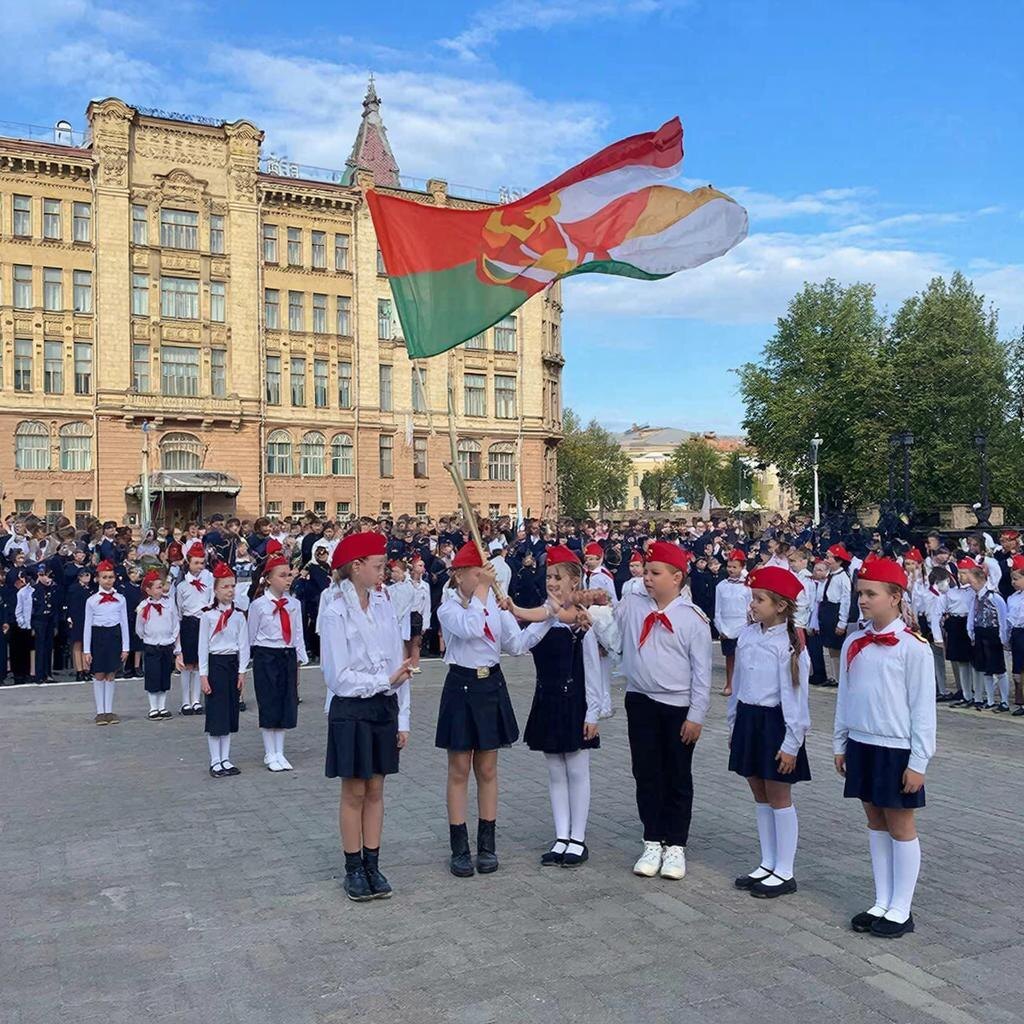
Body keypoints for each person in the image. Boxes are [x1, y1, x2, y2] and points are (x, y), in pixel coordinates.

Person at [591, 541, 712, 881]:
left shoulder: (692, 619)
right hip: (641, 700)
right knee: (646, 772)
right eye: (645, 571)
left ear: (677, 578)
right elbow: (615, 637)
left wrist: (696, 715)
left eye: (655, 573)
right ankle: (652, 839)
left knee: (676, 774)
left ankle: (676, 845)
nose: (647, 578)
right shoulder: (631, 605)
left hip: (677, 706)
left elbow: (702, 672)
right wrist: (597, 611)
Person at [436, 541, 556, 878]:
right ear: (459, 576)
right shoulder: (449, 607)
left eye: (483, 574)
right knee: (459, 768)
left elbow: (516, 645)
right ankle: (459, 847)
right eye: (477, 574)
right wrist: (485, 594)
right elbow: (471, 627)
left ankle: (487, 844)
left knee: (487, 769)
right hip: (460, 685)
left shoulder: (492, 604)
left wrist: (547, 616)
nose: (482, 579)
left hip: (491, 685)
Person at [833, 557, 935, 938]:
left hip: (896, 749)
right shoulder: (854, 643)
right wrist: (840, 742)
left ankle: (902, 908)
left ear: (895, 597)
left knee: (900, 824)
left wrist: (919, 760)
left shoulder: (913, 648)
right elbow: (846, 695)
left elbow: (923, 709)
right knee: (874, 821)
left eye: (871, 594)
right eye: (860, 593)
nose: (863, 600)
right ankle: (882, 900)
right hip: (862, 743)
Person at [320, 532, 413, 902]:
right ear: (355, 567)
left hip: (383, 705)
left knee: (376, 788)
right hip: (351, 708)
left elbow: (398, 662)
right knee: (354, 790)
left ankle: (373, 863)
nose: (382, 573)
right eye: (377, 566)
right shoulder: (334, 611)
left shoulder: (383, 605)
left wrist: (402, 717)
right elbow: (337, 676)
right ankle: (353, 867)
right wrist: (383, 680)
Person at [728, 566, 811, 899]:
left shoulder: (788, 645)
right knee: (758, 791)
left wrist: (792, 742)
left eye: (759, 599)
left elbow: (795, 698)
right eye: (753, 598)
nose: (753, 605)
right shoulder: (748, 635)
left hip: (776, 724)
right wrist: (734, 724)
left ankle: (785, 870)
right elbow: (738, 688)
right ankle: (768, 862)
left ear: (780, 606)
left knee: (779, 796)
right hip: (749, 719)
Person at [522, 545, 607, 868]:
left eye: (558, 577)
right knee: (555, 770)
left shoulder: (582, 622)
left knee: (576, 768)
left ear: (575, 583)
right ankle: (561, 835)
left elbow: (593, 670)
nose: (552, 583)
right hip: (547, 699)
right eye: (549, 577)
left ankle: (578, 838)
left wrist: (593, 712)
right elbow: (518, 645)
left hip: (575, 702)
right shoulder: (544, 618)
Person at [247, 555, 308, 771]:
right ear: (269, 579)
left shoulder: (294, 604)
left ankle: (280, 752)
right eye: (282, 576)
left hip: (287, 654)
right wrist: (245, 662)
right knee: (269, 702)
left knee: (285, 702)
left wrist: (300, 656)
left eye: (289, 574)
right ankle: (269, 752)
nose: (288, 579)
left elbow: (298, 632)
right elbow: (251, 635)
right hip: (267, 655)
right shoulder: (258, 606)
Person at [199, 563, 250, 778]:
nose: (229, 590)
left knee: (229, 712)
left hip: (231, 665)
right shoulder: (207, 617)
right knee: (216, 714)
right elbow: (203, 647)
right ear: (216, 590)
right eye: (225, 586)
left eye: (232, 586)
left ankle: (226, 758)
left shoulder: (238, 616)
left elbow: (243, 644)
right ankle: (215, 760)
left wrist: (241, 671)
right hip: (215, 664)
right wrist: (203, 675)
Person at [83, 560, 130, 726]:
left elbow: (124, 623)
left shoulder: (121, 599)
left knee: (111, 673)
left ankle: (109, 710)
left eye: (111, 577)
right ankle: (100, 711)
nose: (108, 580)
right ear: (98, 579)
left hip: (114, 636)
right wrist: (86, 650)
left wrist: (126, 647)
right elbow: (87, 626)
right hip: (98, 636)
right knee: (99, 673)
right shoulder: (92, 601)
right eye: (104, 577)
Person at [174, 542, 214, 716]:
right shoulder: (182, 586)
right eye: (196, 562)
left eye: (202, 562)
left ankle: (196, 700)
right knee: (187, 665)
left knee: (199, 664)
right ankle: (185, 701)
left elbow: (212, 599)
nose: (199, 566)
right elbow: (179, 609)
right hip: (188, 624)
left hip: (204, 621)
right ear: (188, 563)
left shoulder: (209, 579)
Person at [964, 561, 1010, 712]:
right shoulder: (976, 597)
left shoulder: (994, 596)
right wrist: (970, 630)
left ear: (979, 580)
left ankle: (1004, 701)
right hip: (980, 632)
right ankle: (990, 700)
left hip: (993, 633)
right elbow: (972, 613)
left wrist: (1003, 637)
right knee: (985, 668)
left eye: (971, 581)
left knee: (999, 668)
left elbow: (1002, 617)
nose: (969, 584)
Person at [136, 569, 180, 720]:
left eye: (161, 586)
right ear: (148, 590)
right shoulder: (143, 607)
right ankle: (153, 707)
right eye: (157, 587)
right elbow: (139, 628)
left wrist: (172, 638)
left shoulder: (169, 604)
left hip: (166, 644)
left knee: (164, 676)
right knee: (152, 676)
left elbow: (175, 622)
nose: (161, 589)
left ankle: (162, 706)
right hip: (151, 645)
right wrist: (148, 637)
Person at [714, 550, 751, 698]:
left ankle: (743, 684)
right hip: (726, 627)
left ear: (742, 567)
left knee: (743, 657)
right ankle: (729, 683)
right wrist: (720, 628)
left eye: (734, 567)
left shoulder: (747, 586)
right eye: (729, 566)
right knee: (729, 657)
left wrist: (747, 627)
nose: (731, 569)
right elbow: (717, 610)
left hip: (742, 626)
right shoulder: (721, 586)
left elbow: (750, 609)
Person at [817, 544, 853, 686]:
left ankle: (838, 677)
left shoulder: (843, 577)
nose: (827, 559)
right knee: (827, 646)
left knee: (835, 647)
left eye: (829, 557)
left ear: (838, 560)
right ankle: (831, 675)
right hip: (826, 609)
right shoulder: (829, 576)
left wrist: (842, 622)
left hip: (835, 611)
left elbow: (845, 600)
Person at [945, 559, 979, 708]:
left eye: (965, 573)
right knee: (961, 662)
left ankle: (977, 694)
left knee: (974, 662)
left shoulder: (974, 592)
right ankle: (966, 694)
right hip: (956, 624)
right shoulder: (952, 590)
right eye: (960, 572)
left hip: (969, 623)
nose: (961, 576)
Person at [29, 562, 60, 684]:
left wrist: (56, 624)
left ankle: (48, 673)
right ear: (39, 576)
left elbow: (56, 607)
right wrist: (31, 625)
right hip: (38, 621)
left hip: (50, 620)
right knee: (39, 648)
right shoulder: (34, 590)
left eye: (49, 576)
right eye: (44, 576)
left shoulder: (53, 589)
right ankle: (39, 674)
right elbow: (31, 609)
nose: (48, 579)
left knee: (48, 647)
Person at [405, 556, 431, 674]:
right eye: (420, 565)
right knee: (406, 641)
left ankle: (415, 664)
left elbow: (427, 604)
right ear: (413, 567)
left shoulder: (425, 585)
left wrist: (426, 622)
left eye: (423, 566)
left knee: (416, 642)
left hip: (417, 615)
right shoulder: (405, 583)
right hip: (406, 614)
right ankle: (405, 664)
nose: (423, 568)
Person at [1006, 555, 1024, 716]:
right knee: (1018, 669)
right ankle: (1021, 701)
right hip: (1017, 633)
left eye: (1017, 579)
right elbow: (1009, 620)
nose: (1013, 582)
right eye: (1012, 579)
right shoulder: (1012, 598)